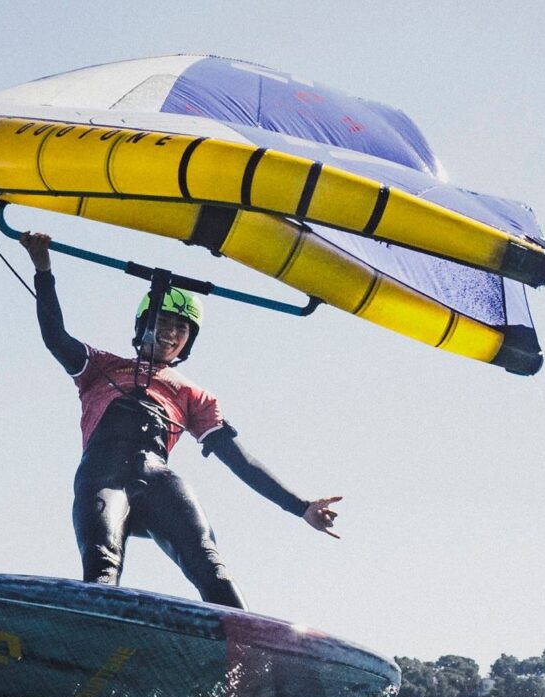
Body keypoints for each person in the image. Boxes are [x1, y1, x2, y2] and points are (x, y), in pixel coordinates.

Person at [20, 231, 341, 610]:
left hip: (159, 481)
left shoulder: (195, 395)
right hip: (102, 475)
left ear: (189, 341)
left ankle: (244, 645)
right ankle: (98, 633)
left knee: (209, 563)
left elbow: (239, 459)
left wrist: (299, 505)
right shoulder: (101, 366)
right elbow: (56, 337)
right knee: (102, 563)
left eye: (181, 328)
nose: (172, 333)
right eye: (164, 321)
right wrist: (43, 269)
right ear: (143, 325)